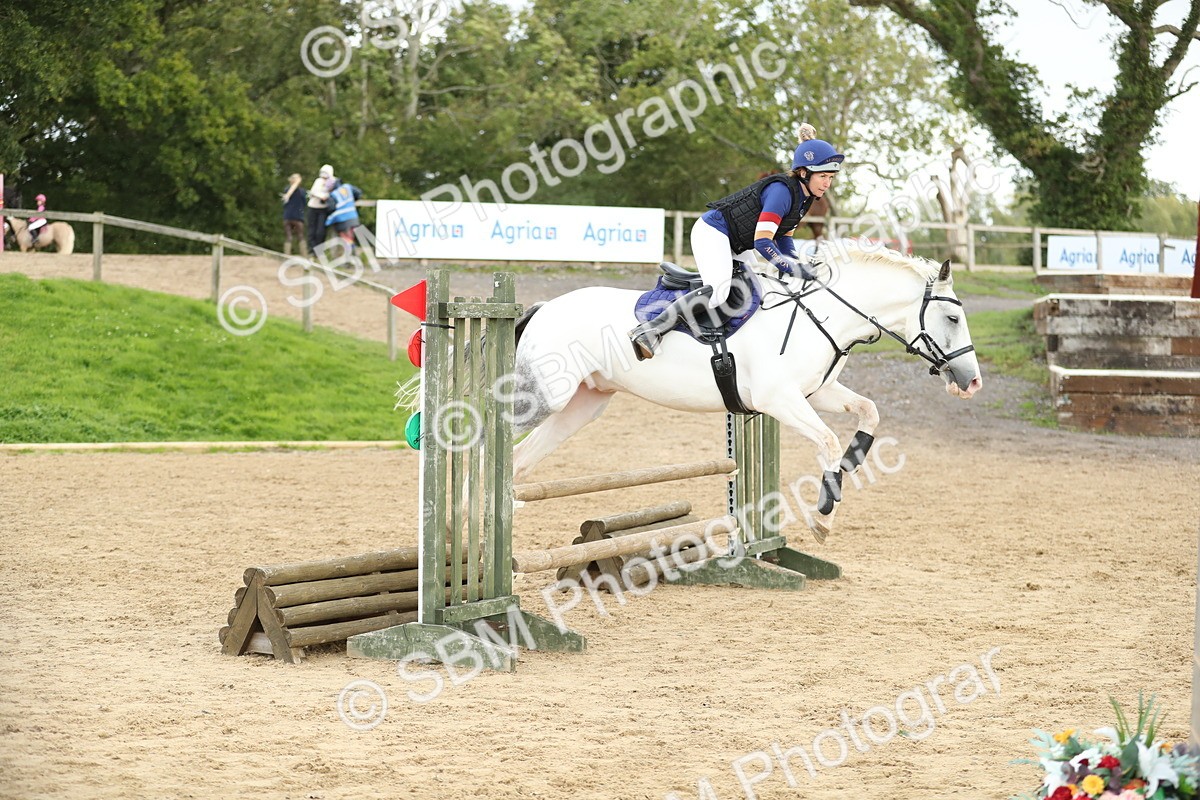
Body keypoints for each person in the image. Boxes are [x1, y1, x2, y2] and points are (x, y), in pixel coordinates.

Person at [629, 123, 844, 360]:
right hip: (712, 232)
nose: (827, 183)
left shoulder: (805, 198)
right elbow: (763, 243)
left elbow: (784, 238)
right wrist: (792, 268)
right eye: (823, 176)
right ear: (804, 173)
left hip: (736, 241)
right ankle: (651, 329)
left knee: (759, 288)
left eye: (830, 177)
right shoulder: (782, 192)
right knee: (718, 293)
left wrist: (794, 264)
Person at [324, 177, 363, 249]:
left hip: (341, 218)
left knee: (343, 234)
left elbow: (331, 208)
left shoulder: (333, 194)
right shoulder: (347, 187)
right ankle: (352, 248)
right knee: (351, 234)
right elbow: (359, 193)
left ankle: (350, 247)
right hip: (353, 216)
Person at [306, 164, 335, 254]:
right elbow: (313, 192)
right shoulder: (318, 181)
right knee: (311, 230)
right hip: (313, 207)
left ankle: (319, 250)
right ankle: (312, 250)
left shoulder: (332, 182)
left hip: (323, 209)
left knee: (320, 231)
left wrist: (325, 196)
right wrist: (320, 196)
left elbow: (332, 194)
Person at [281, 174, 307, 255]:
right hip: (298, 217)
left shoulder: (286, 190)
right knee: (300, 236)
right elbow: (304, 203)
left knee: (288, 237)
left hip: (287, 216)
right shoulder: (302, 192)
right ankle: (304, 256)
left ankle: (286, 255)